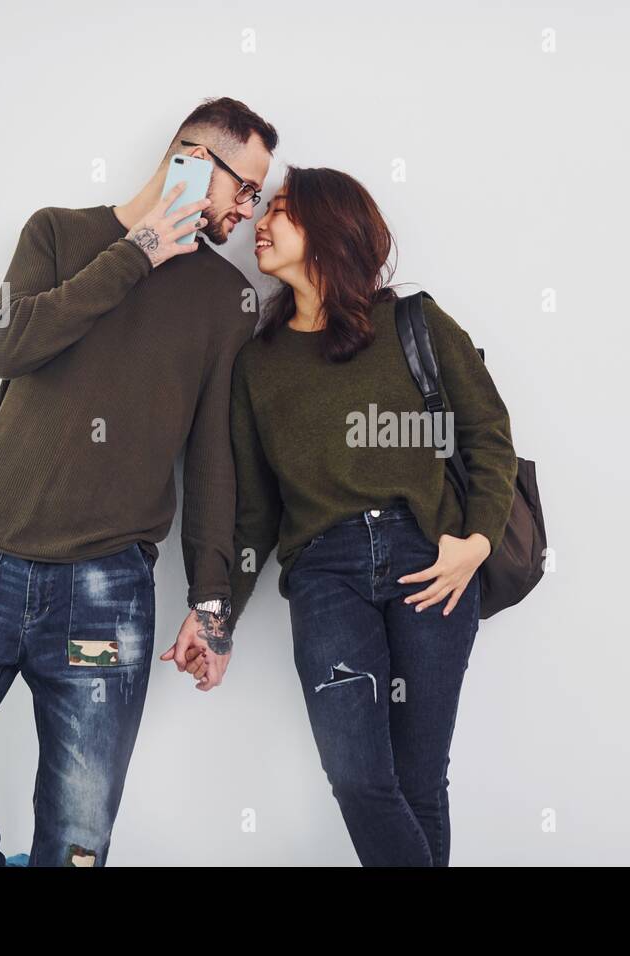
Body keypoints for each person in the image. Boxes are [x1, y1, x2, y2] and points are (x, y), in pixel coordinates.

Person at [0, 97, 277, 866]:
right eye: (246, 187)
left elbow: (212, 466)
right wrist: (137, 252)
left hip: (106, 592)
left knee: (77, 838)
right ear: (195, 159)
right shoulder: (58, 233)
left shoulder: (223, 301)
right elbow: (8, 344)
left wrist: (214, 604)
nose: (249, 209)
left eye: (258, 197)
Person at [213, 166, 518, 866]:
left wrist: (477, 540)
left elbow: (488, 435)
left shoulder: (412, 322)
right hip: (326, 575)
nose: (261, 221)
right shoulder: (257, 364)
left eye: (281, 211)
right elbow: (256, 515)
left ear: (327, 228)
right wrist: (218, 613)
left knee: (418, 780)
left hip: (430, 563)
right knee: (358, 778)